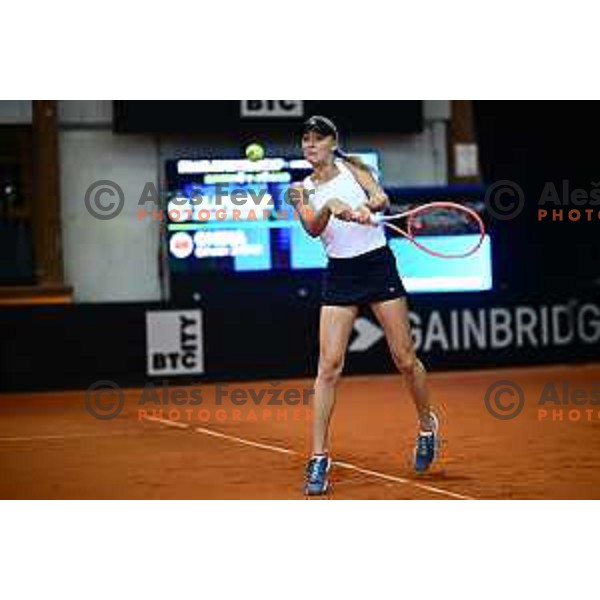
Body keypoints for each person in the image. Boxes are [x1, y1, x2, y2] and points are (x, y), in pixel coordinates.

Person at [289, 115, 438, 496]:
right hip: (340, 273)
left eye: (318, 139)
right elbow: (311, 227)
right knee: (328, 365)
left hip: (376, 265)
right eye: (305, 139)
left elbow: (380, 197)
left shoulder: (354, 167)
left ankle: (427, 426)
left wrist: (368, 205)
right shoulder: (299, 189)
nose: (310, 145)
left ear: (332, 142)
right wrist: (331, 207)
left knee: (405, 359)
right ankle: (319, 458)